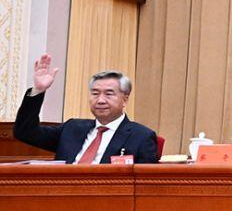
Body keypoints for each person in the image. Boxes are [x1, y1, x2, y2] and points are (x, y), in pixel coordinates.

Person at [13, 54, 159, 164]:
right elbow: (25, 132)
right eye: (95, 93)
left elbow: (144, 186)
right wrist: (38, 90)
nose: (100, 100)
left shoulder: (141, 137)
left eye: (109, 94)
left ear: (125, 99)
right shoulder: (72, 128)